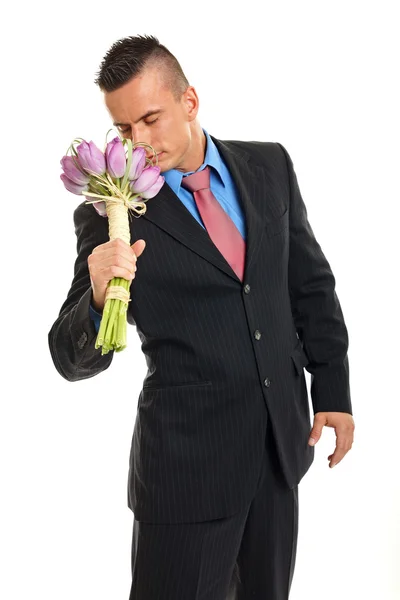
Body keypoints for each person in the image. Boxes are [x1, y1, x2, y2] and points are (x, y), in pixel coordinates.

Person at [48, 34, 355, 600]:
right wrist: (97, 298)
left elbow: (310, 285)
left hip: (277, 454)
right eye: (122, 129)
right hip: (186, 474)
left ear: (190, 101)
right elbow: (70, 360)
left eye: (149, 118)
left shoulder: (269, 165)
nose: (138, 142)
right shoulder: (109, 212)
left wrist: (332, 390)